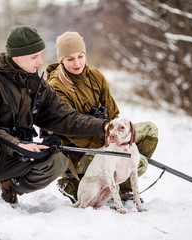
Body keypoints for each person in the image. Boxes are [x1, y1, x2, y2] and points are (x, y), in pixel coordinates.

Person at [0, 26, 109, 212]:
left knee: (58, 160)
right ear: (16, 57)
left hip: (16, 157)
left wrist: (104, 127)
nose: (40, 61)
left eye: (41, 54)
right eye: (34, 56)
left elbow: (66, 117)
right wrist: (18, 145)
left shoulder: (38, 86)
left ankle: (10, 185)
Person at [44, 31, 159, 203]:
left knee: (150, 130)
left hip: (104, 140)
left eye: (80, 56)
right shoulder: (56, 86)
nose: (77, 63)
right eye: (70, 59)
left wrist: (117, 138)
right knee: (140, 163)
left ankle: (122, 188)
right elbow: (71, 126)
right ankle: (72, 183)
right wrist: (105, 136)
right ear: (61, 60)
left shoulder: (96, 77)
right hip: (77, 152)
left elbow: (113, 114)